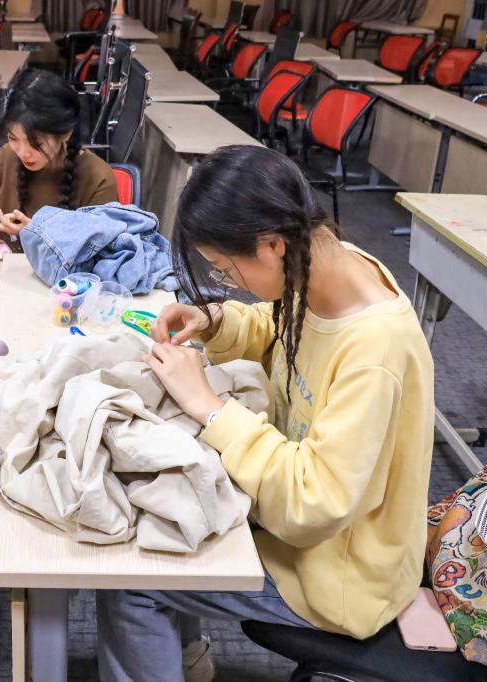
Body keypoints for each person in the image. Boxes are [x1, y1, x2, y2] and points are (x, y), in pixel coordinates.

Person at [95, 145, 434, 682]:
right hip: (308, 537)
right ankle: (187, 661)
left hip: (341, 578)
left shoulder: (375, 349)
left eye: (225, 269)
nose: (229, 281)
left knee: (132, 581)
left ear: (271, 244)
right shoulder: (322, 261)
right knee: (166, 507)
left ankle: (179, 658)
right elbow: (278, 325)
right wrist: (215, 320)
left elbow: (313, 502)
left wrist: (209, 408)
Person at [0, 69, 118, 240]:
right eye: (13, 138)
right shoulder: (5, 158)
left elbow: (101, 249)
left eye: (36, 144)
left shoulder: (98, 178)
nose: (23, 153)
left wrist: (38, 236)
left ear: (66, 133)